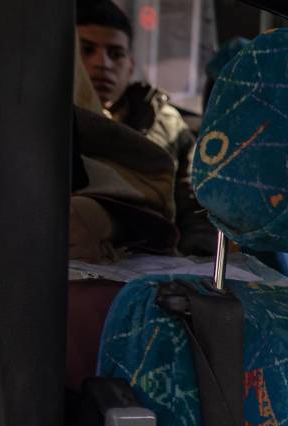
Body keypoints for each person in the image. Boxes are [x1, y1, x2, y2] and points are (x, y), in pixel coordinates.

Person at [76, 0, 217, 256]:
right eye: (87, 50)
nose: (102, 63)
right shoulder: (51, 122)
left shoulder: (168, 125)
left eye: (116, 54)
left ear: (131, 65)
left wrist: (195, 259)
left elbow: (197, 210)